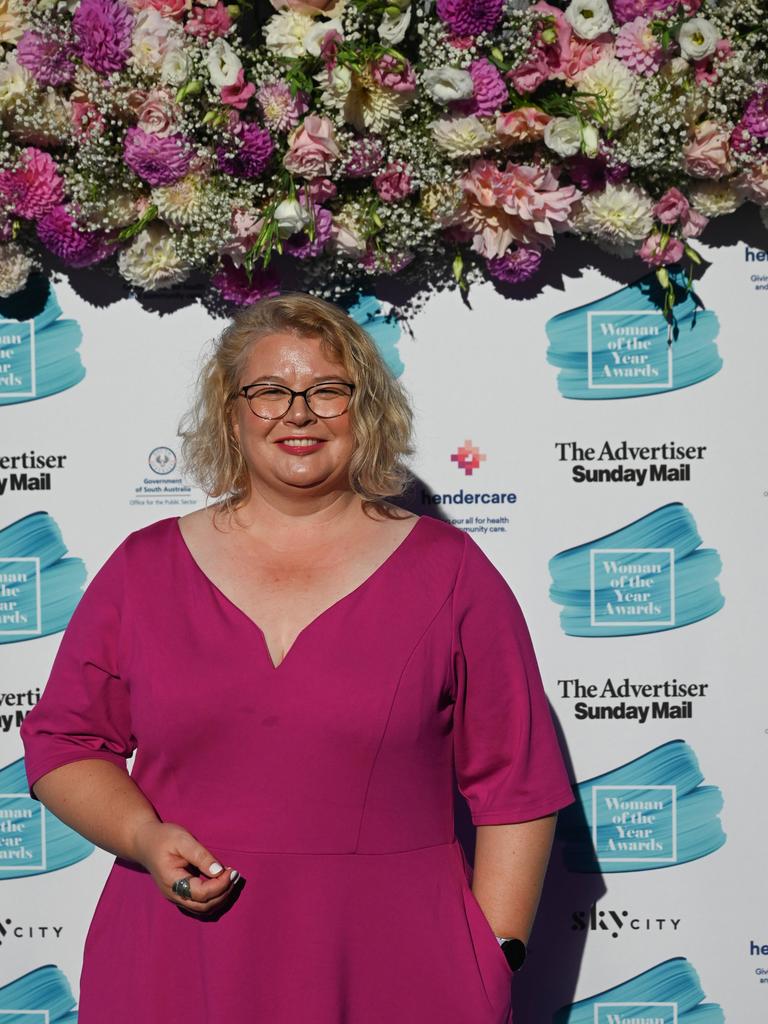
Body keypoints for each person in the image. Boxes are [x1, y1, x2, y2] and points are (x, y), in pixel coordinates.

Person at [20, 292, 575, 1024]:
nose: (299, 413)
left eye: (327, 391)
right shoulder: (142, 569)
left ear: (364, 411)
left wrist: (495, 953)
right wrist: (143, 836)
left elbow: (517, 784)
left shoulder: (450, 571)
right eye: (271, 391)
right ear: (232, 413)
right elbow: (63, 743)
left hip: (400, 970)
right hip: (178, 962)